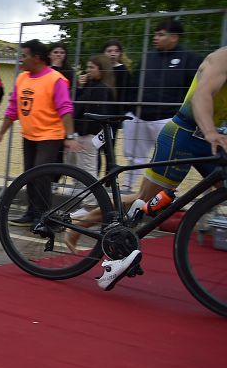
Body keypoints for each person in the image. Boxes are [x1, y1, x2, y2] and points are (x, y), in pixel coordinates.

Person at [67, 47, 227, 288]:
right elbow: (201, 96)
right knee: (147, 200)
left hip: (210, 138)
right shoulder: (222, 58)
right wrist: (211, 132)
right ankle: (85, 221)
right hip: (183, 134)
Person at [0, 39, 83, 223]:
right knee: (29, 174)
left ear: (37, 58)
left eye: (24, 56)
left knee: (40, 174)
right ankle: (32, 213)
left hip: (50, 135)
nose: (20, 60)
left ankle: (43, 215)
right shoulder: (22, 78)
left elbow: (65, 109)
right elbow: (13, 109)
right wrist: (0, 133)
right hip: (29, 135)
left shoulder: (56, 79)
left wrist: (69, 136)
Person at [120, 19, 201, 190]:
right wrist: (131, 109)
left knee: (168, 161)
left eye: (161, 34)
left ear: (174, 37)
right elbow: (134, 84)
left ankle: (162, 199)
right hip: (139, 116)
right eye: (155, 34)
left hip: (168, 120)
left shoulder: (190, 58)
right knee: (134, 158)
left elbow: (196, 90)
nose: (155, 38)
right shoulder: (148, 57)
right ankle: (126, 191)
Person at [70, 53, 116, 183]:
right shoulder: (92, 86)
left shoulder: (100, 89)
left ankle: (90, 200)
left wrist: (81, 89)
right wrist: (80, 87)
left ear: (101, 69)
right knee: (79, 167)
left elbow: (81, 108)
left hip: (90, 134)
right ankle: (82, 196)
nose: (88, 70)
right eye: (88, 67)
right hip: (85, 133)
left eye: (92, 67)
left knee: (88, 169)